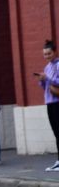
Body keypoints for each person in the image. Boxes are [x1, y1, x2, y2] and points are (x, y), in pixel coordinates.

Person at [39, 39, 59, 171]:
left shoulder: (58, 65)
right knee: (56, 132)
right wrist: (42, 81)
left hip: (57, 102)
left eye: (49, 53)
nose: (47, 56)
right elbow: (46, 87)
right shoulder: (47, 67)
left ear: (55, 52)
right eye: (45, 54)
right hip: (50, 102)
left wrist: (47, 78)